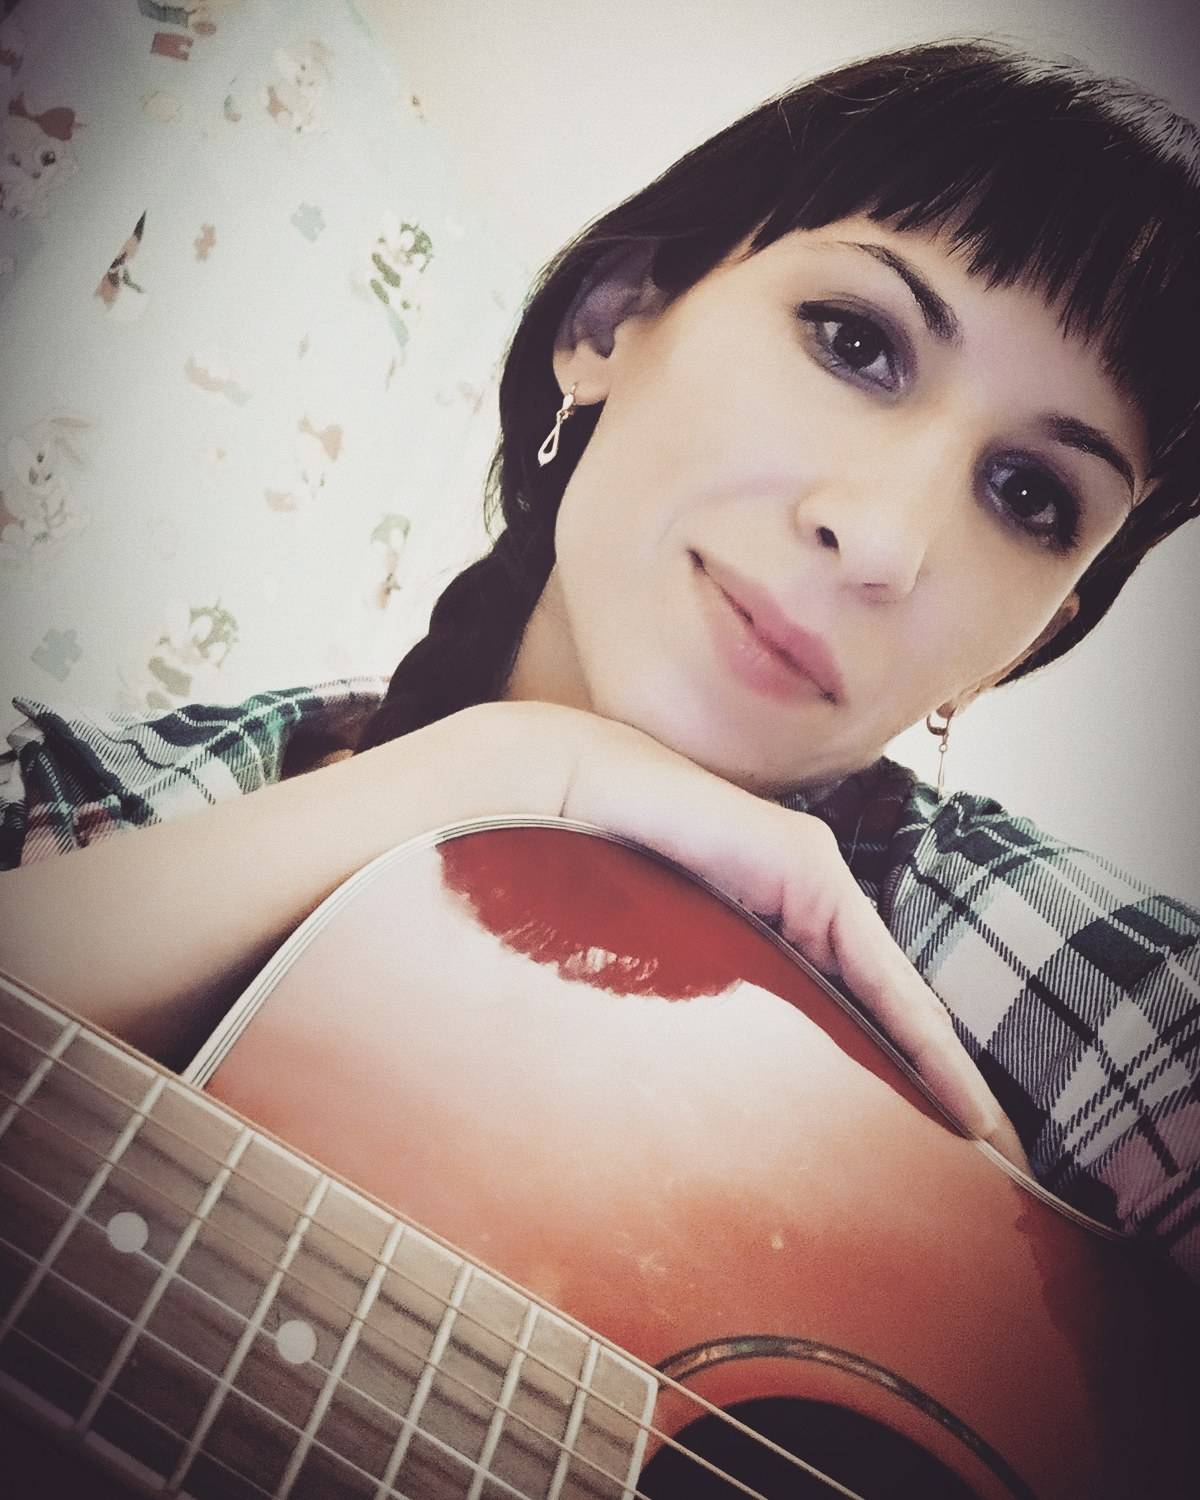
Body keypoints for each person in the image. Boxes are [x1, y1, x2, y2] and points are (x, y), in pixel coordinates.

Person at [1, 39, 1197, 1295]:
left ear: (1028, 641)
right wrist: (513, 772)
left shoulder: (1052, 971)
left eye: (1029, 494)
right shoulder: (86, 802)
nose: (886, 542)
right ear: (608, 323)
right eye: (856, 342)